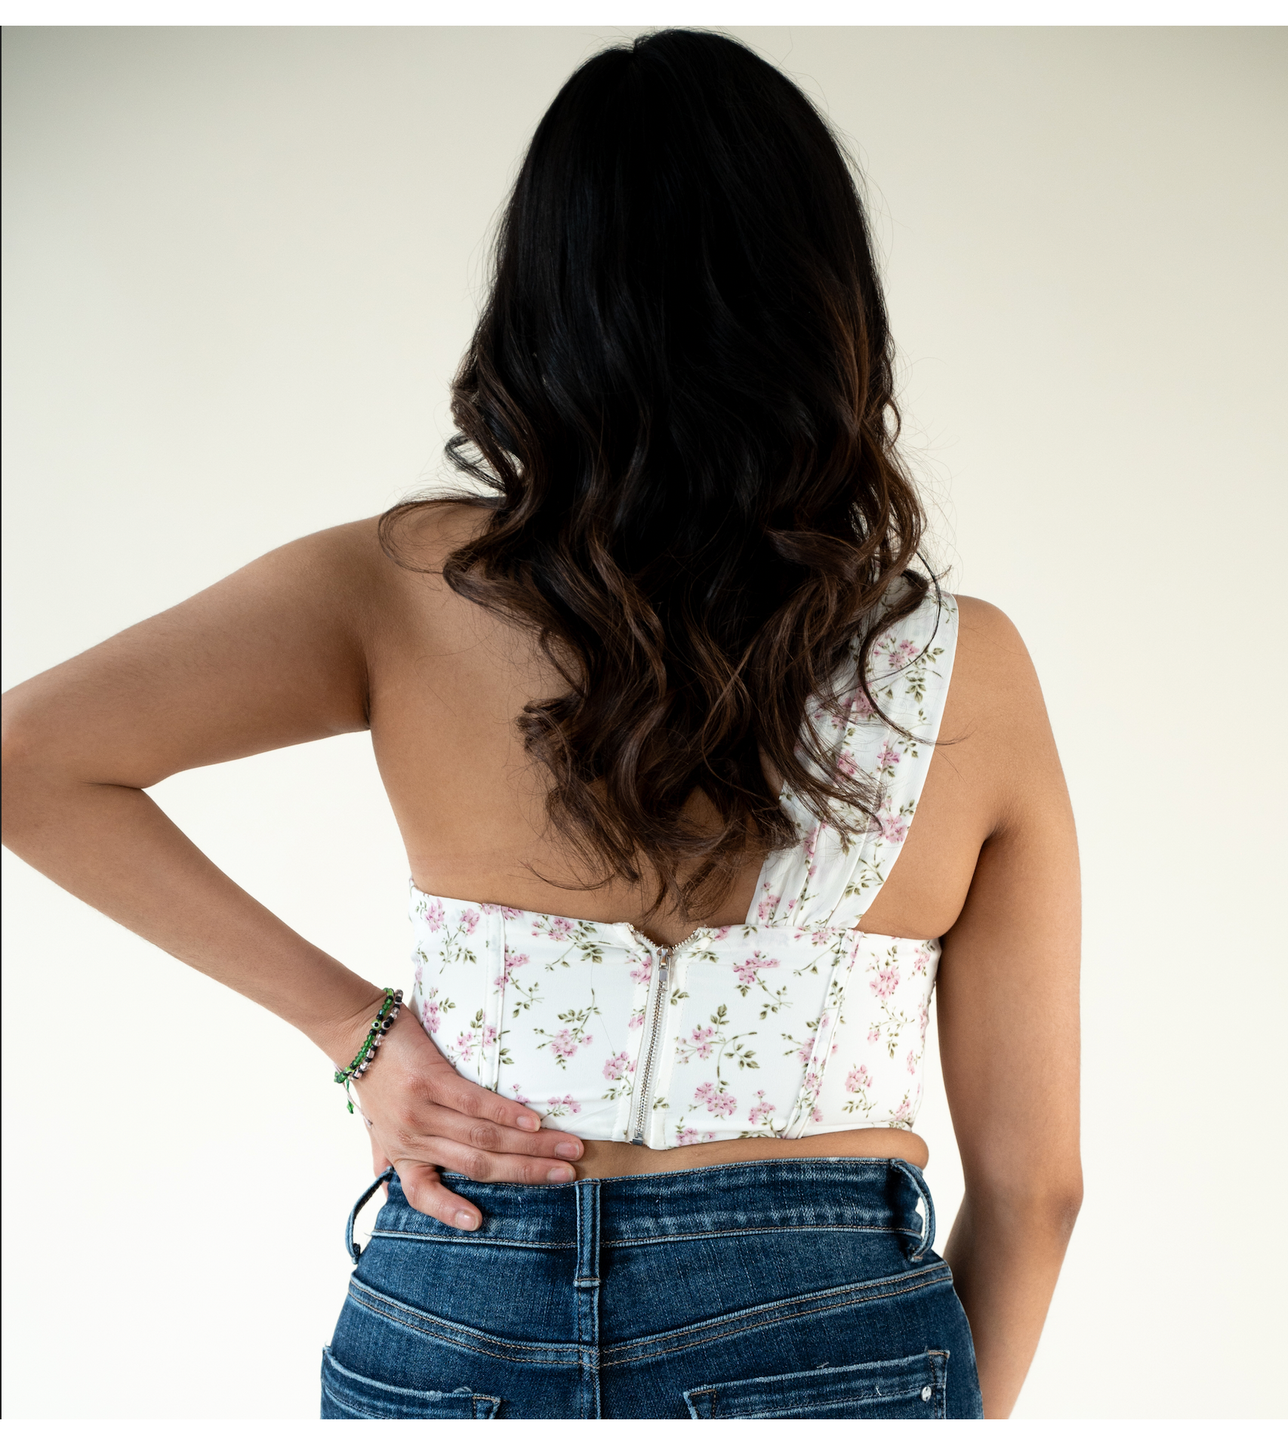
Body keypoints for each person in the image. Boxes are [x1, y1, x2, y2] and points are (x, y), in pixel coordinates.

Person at [0, 29, 1080, 1421]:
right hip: (834, 1325)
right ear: (829, 305)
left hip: (461, 1297)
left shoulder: (392, 589)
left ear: (542, 300)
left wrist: (358, 1033)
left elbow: (31, 759)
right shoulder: (967, 667)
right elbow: (1038, 1185)